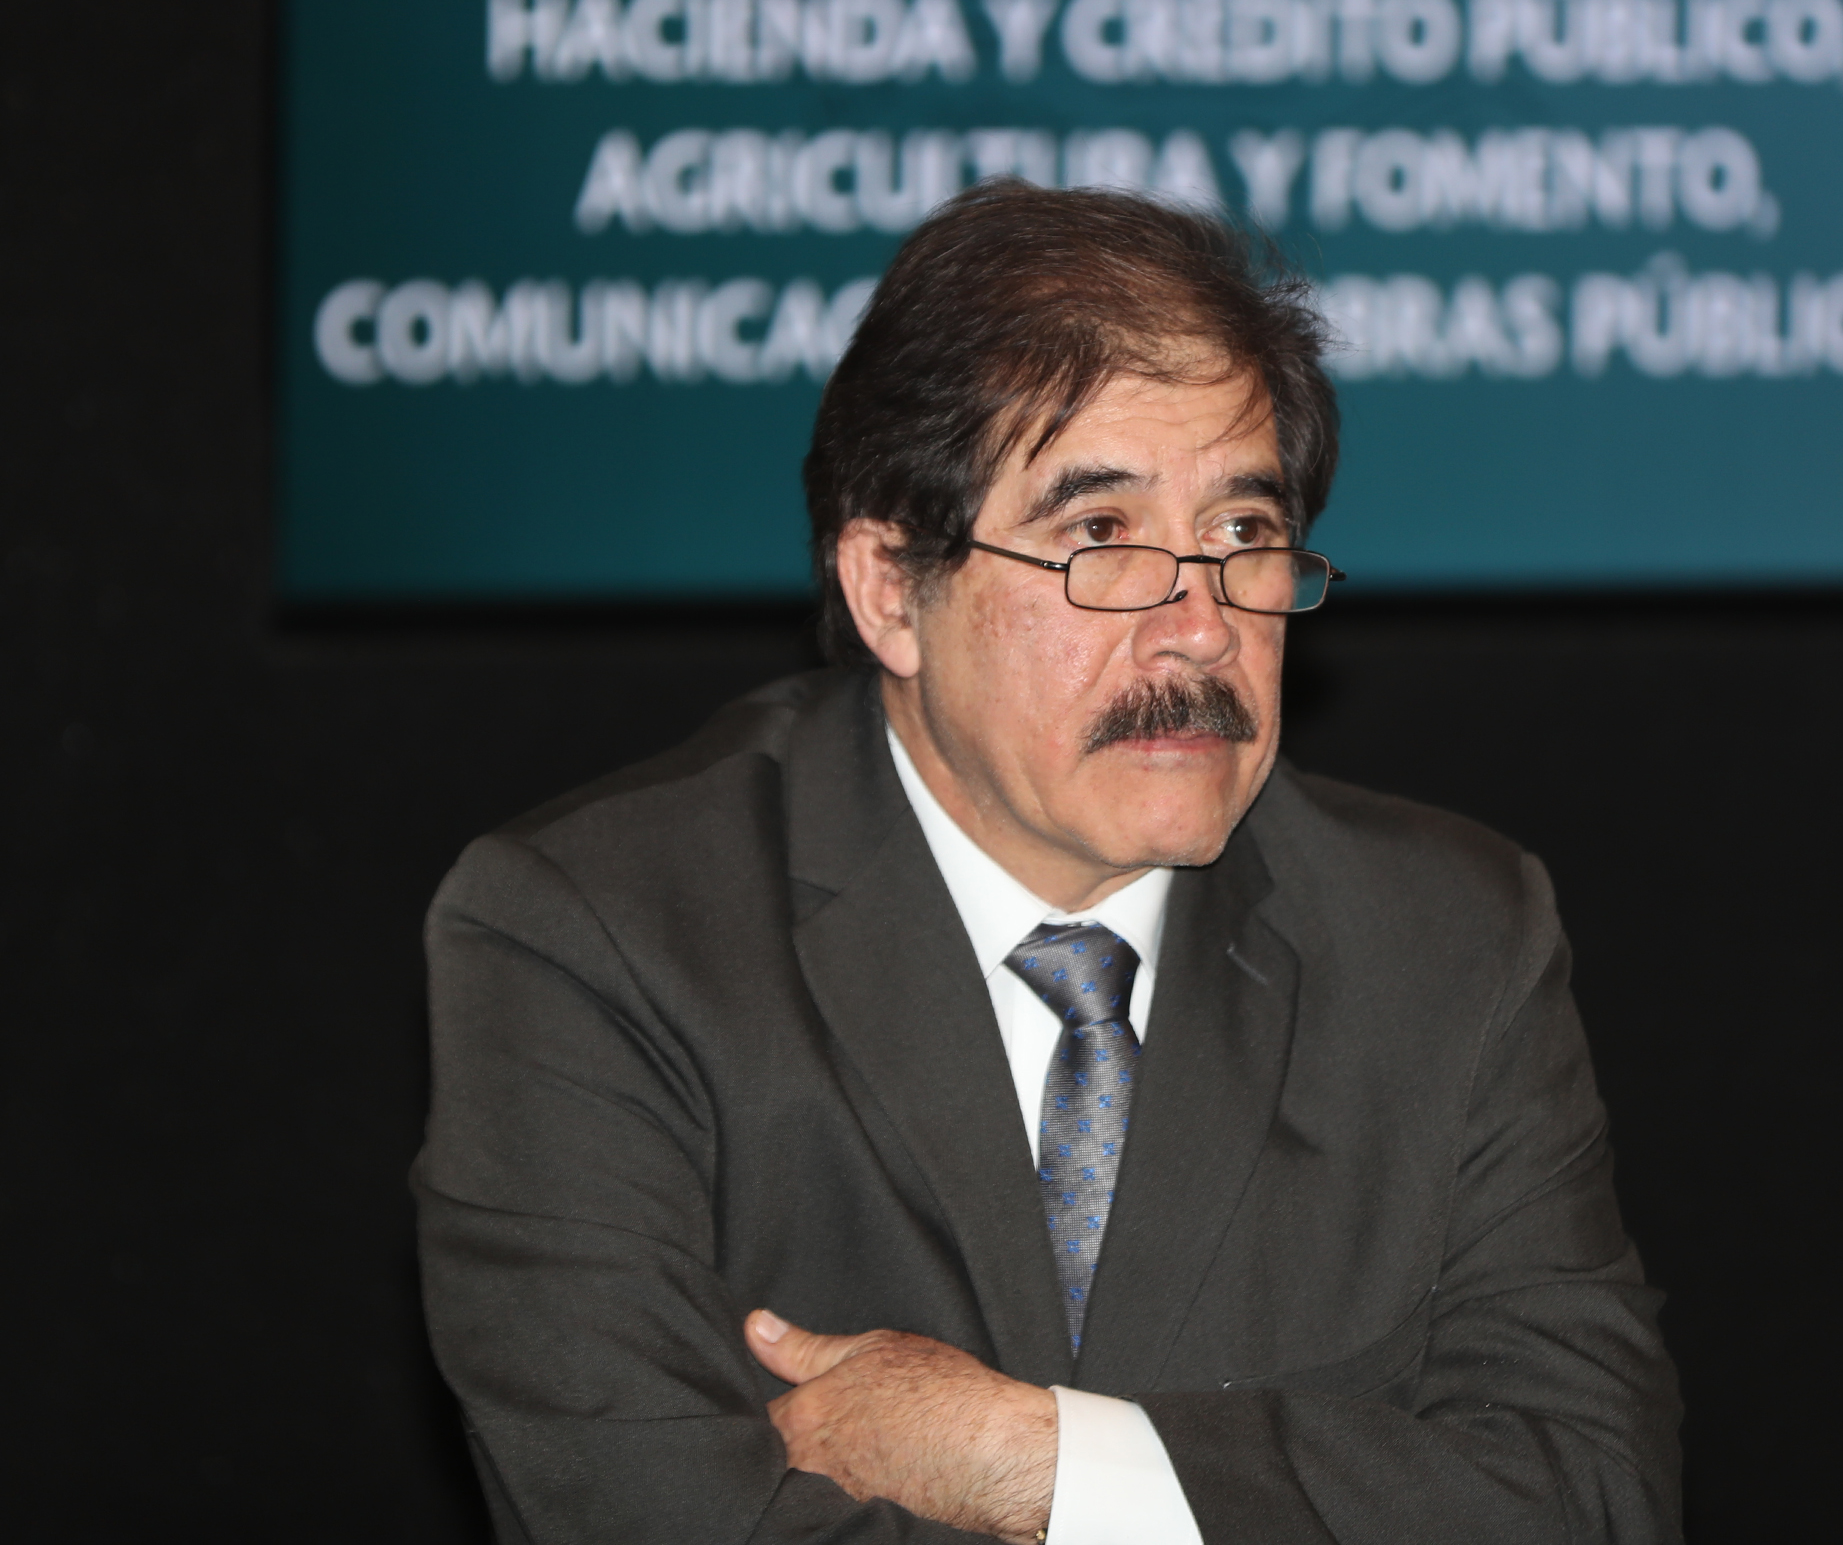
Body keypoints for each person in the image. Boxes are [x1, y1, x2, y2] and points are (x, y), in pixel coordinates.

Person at [415, 180, 1682, 1545]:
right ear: (890, 587)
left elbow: (1591, 1498)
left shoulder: (1449, 937)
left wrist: (1048, 1461)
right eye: (1099, 536)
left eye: (1243, 534)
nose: (1200, 628)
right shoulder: (600, 935)